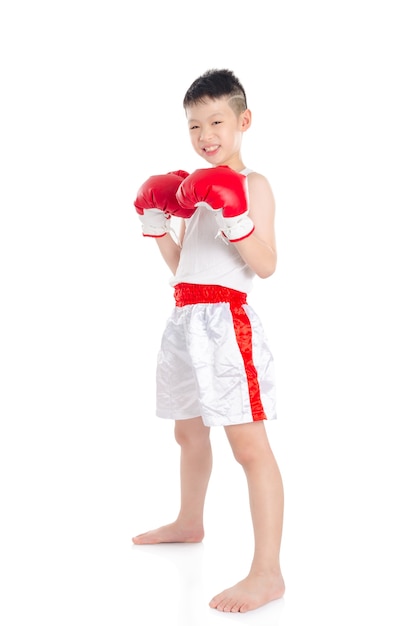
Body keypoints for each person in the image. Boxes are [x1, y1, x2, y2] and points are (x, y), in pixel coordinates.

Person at [132, 68, 285, 614]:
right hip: (184, 318)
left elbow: (265, 265)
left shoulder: (251, 185)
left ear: (243, 121)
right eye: (194, 125)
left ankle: (267, 572)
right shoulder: (193, 192)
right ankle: (189, 519)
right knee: (188, 434)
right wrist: (157, 229)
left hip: (226, 323)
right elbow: (183, 271)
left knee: (248, 447)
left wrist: (237, 218)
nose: (205, 134)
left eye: (216, 121)